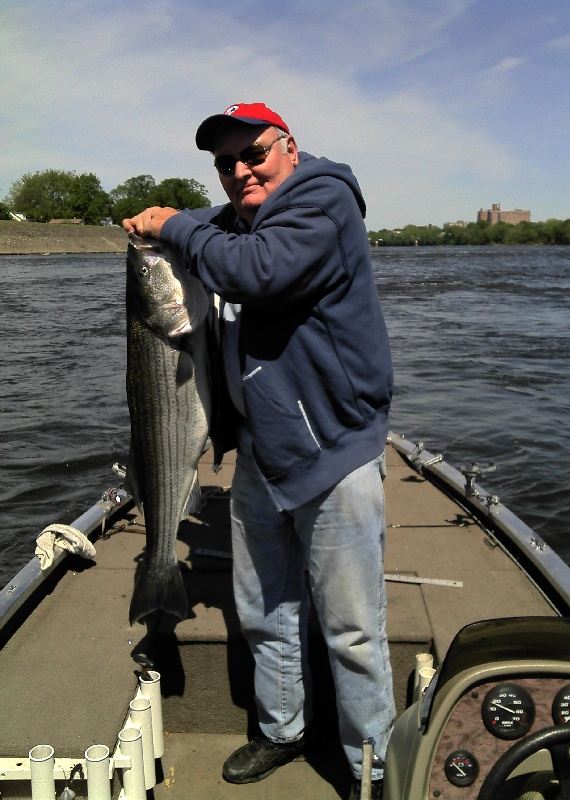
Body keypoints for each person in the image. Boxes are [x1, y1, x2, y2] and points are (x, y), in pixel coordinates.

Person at [124, 102, 395, 800]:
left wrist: (172, 226)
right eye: (225, 164)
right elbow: (212, 239)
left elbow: (260, 273)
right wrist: (159, 226)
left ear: (291, 149)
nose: (240, 171)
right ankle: (282, 729)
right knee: (265, 609)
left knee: (352, 631)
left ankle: (373, 766)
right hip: (262, 458)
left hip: (335, 451)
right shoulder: (233, 223)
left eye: (255, 155)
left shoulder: (324, 200)